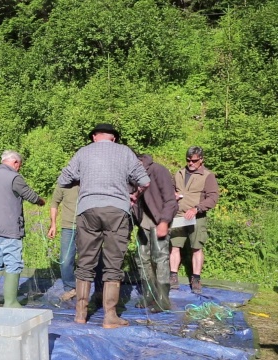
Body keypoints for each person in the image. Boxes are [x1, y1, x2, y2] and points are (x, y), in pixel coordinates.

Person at [57, 123, 150, 328]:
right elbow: (145, 181)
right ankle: (110, 316)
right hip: (117, 210)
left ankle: (80, 314)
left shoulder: (83, 152)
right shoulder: (125, 152)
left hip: (87, 210)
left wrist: (85, 182)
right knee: (113, 263)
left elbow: (63, 179)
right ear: (114, 138)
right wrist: (133, 196)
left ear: (94, 137)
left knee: (85, 261)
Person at [0, 150, 46, 308]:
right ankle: (10, 302)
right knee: (13, 263)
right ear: (15, 162)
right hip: (8, 228)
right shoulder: (14, 178)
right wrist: (40, 201)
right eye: (20, 165)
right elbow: (29, 194)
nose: (20, 168)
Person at [169, 146, 219, 294]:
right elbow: (170, 189)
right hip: (178, 215)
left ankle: (196, 278)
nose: (190, 163)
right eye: (188, 160)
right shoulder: (178, 173)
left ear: (201, 159)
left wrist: (197, 209)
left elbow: (213, 198)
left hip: (197, 216)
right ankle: (173, 277)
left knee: (196, 247)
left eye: (194, 161)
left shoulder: (208, 175)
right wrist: (173, 195)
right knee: (174, 246)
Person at [132, 154, 178, 312]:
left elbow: (171, 200)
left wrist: (164, 222)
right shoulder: (132, 173)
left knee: (160, 257)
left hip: (159, 220)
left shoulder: (158, 170)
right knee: (142, 258)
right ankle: (149, 294)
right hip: (143, 222)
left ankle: (163, 299)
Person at [48, 184, 105, 303]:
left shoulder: (89, 181)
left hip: (89, 226)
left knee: (96, 257)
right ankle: (70, 288)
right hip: (68, 228)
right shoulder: (63, 184)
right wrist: (53, 224)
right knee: (65, 260)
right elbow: (54, 203)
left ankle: (100, 290)